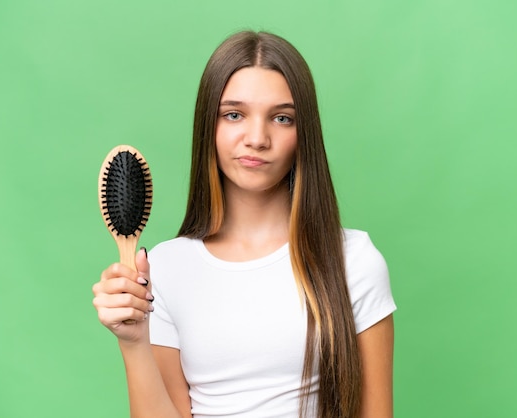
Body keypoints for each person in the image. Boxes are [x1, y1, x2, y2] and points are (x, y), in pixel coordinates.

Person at [92, 30, 396, 418]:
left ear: (304, 135)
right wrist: (133, 341)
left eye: (282, 118)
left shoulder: (354, 261)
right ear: (209, 126)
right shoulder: (165, 269)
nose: (257, 138)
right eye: (234, 114)